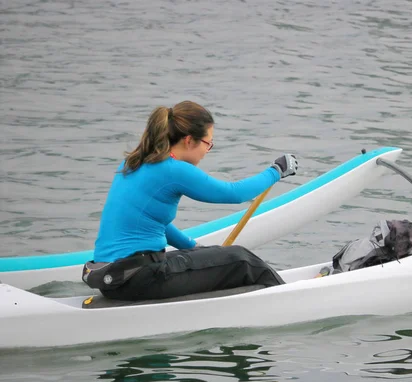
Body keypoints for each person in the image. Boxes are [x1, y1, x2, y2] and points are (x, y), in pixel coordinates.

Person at [82, 100, 299, 301]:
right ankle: (290, 301)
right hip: (138, 278)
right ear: (188, 141)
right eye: (208, 143)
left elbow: (155, 223)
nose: (208, 150)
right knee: (242, 260)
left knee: (220, 256)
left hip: (111, 276)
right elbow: (234, 194)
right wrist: (276, 171)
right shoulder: (172, 169)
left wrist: (194, 248)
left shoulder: (133, 162)